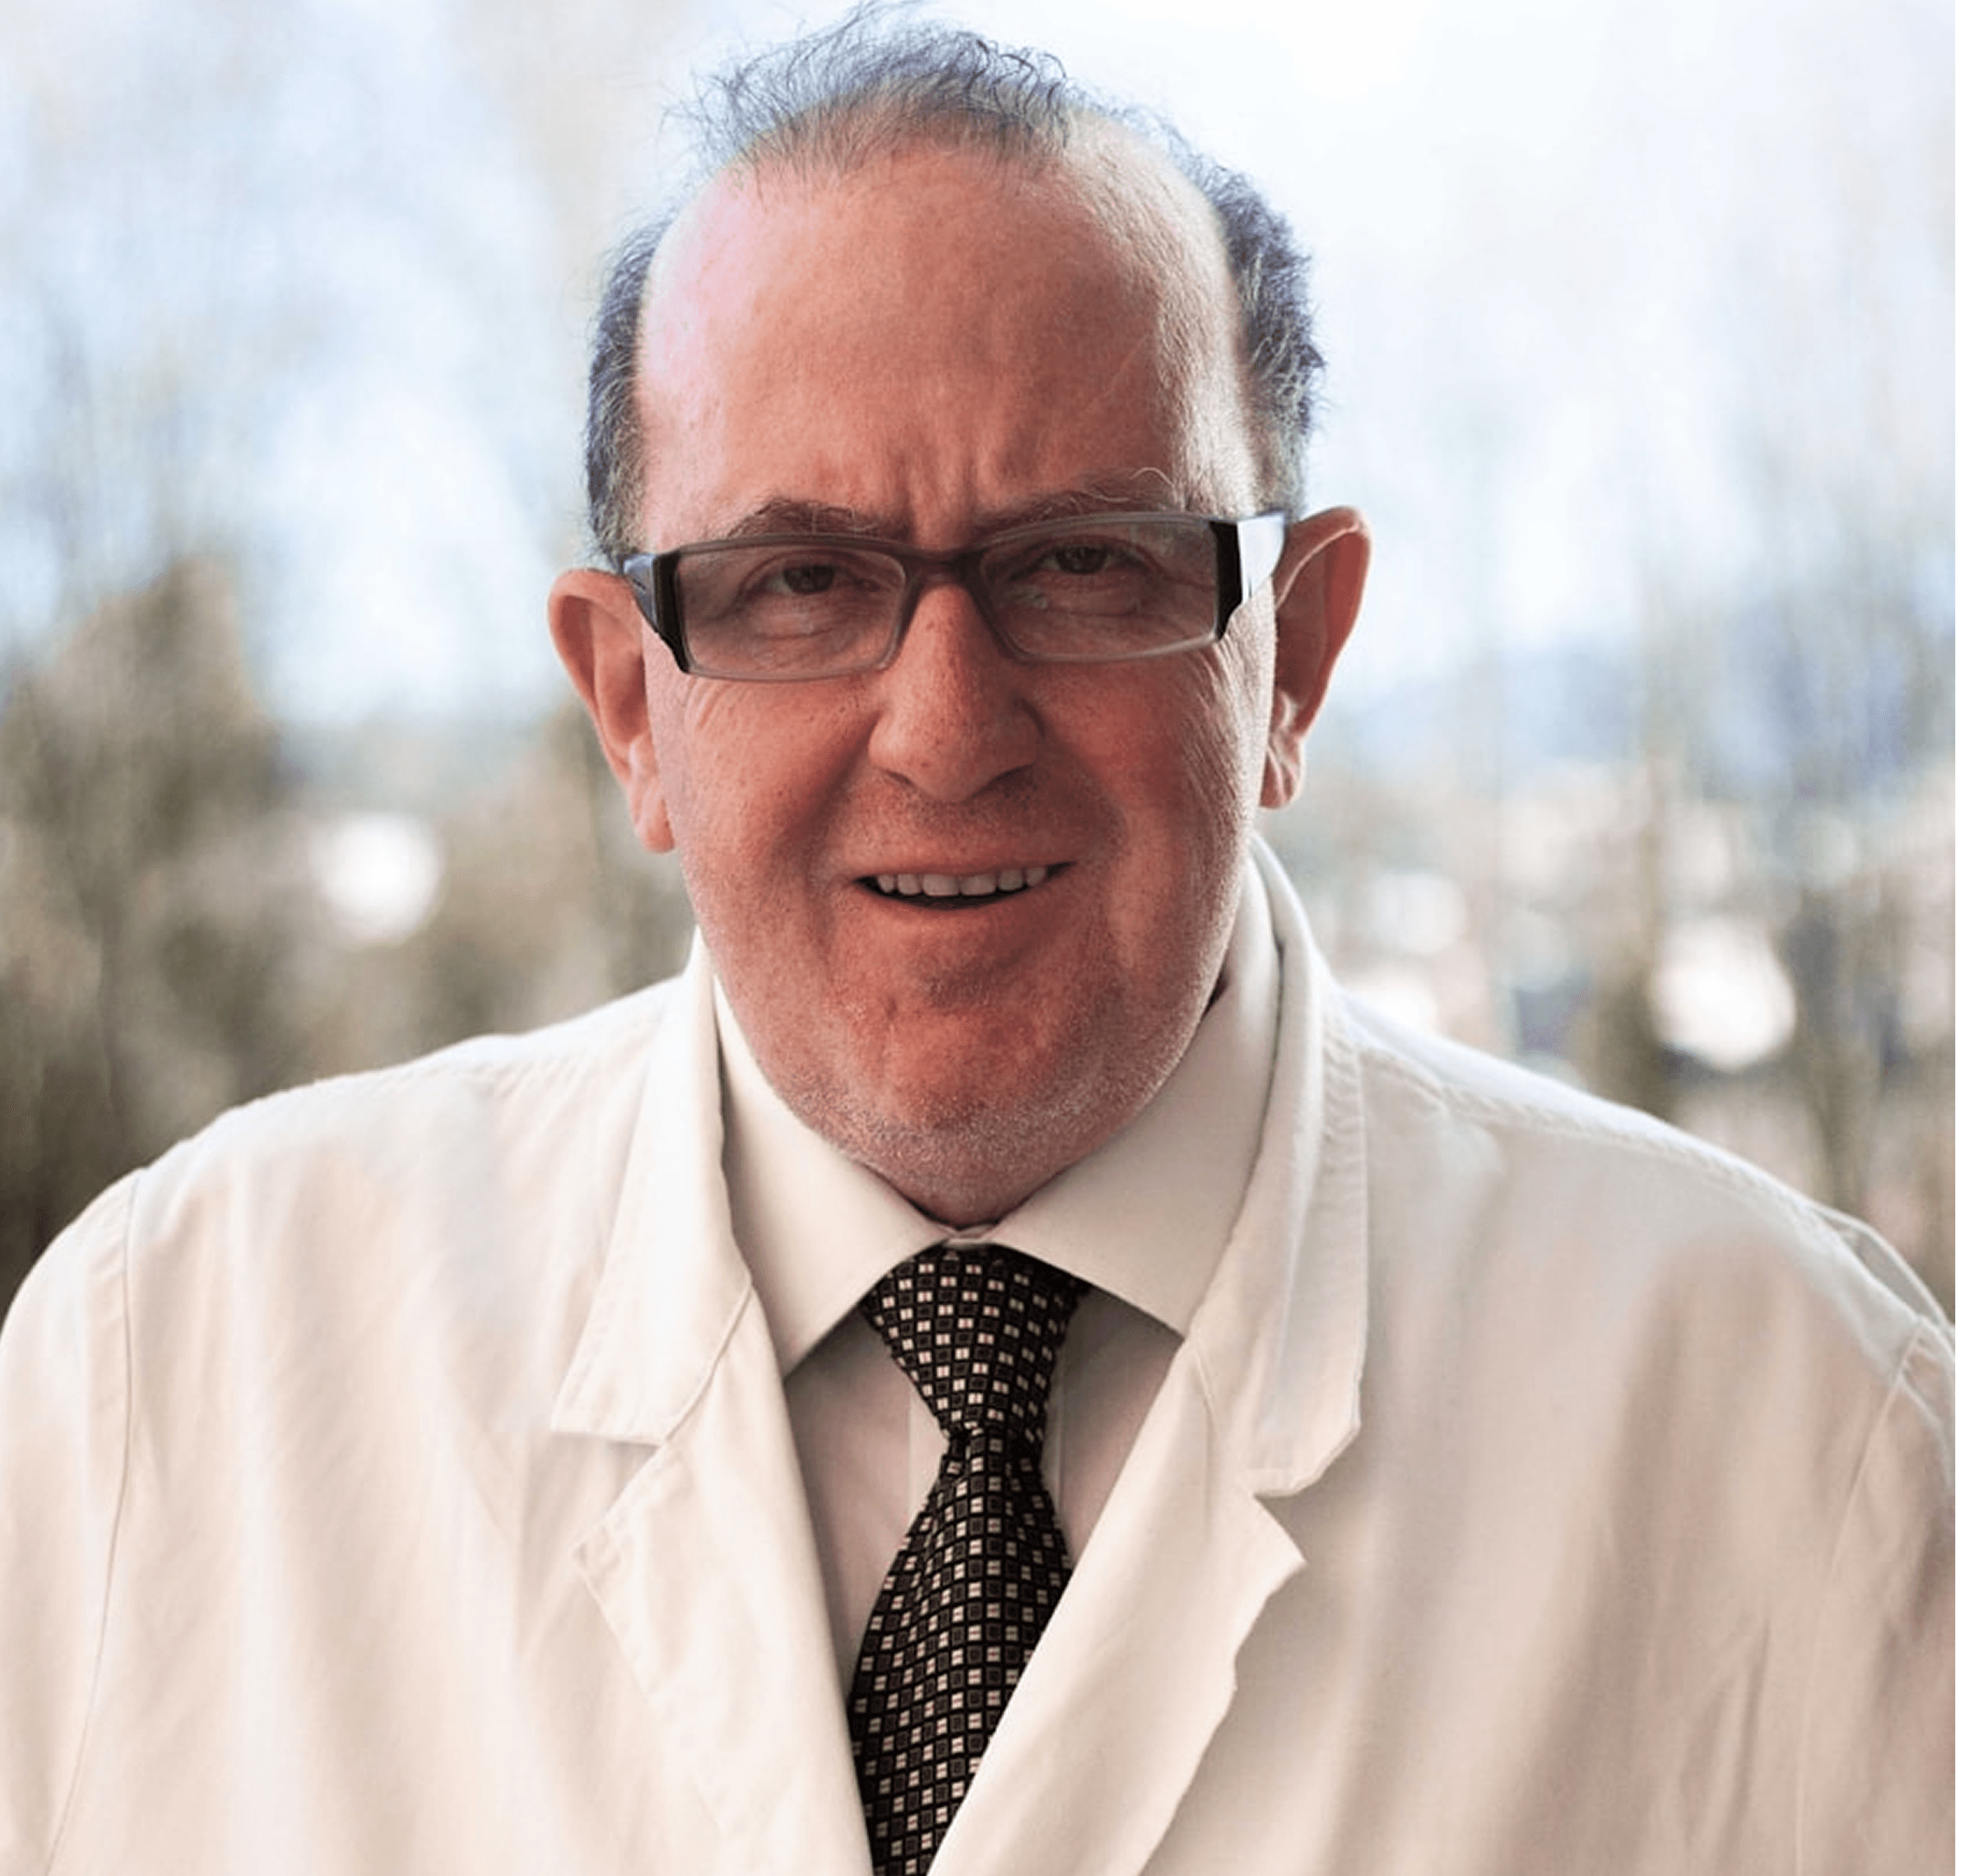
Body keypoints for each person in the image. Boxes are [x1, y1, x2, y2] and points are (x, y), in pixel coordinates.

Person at [0, 12, 1951, 1874]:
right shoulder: (165, 1381)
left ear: (1294, 656)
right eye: (796, 584)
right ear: (625, 706)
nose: (942, 729)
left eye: (1084, 563)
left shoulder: (1795, 1430)